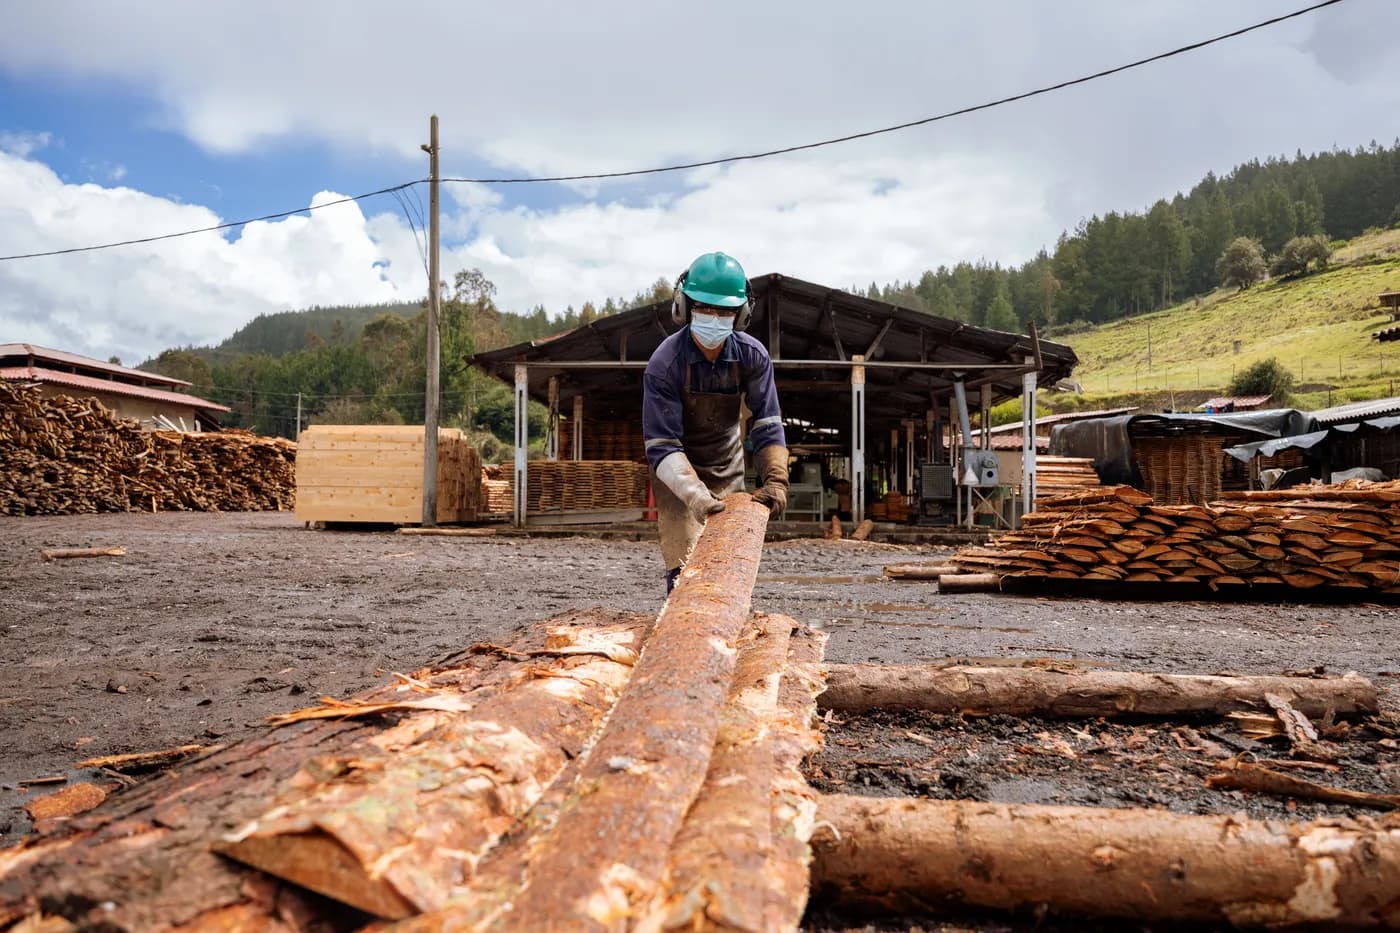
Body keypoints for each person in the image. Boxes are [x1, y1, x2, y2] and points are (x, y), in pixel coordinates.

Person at [643, 251, 789, 593]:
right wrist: (694, 495)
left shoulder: (752, 356)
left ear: (740, 315)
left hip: (726, 464)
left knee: (727, 559)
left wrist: (777, 479)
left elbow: (767, 422)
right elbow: (662, 445)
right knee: (684, 562)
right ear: (684, 307)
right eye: (704, 308)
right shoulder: (665, 364)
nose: (713, 317)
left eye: (724, 311)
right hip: (675, 470)